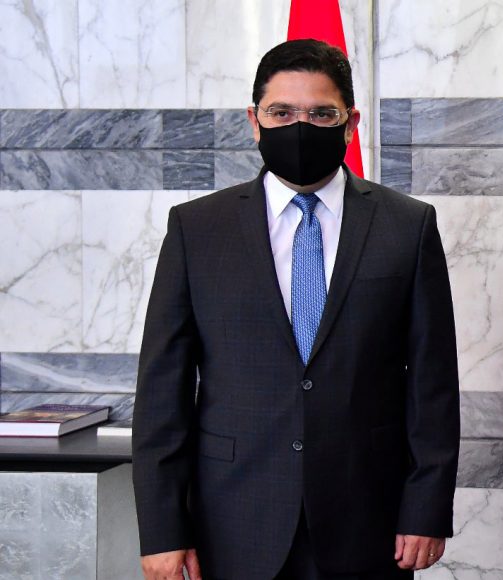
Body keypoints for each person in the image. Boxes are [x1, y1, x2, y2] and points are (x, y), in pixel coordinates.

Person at [132, 39, 460, 580]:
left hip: (368, 519)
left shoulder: (408, 226)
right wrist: (163, 528)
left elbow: (433, 384)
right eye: (281, 112)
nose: (300, 127)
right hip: (233, 519)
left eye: (321, 114)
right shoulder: (197, 229)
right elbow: (162, 390)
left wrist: (426, 507)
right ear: (254, 121)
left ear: (350, 123)